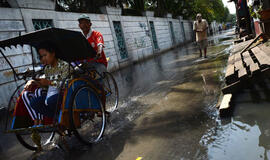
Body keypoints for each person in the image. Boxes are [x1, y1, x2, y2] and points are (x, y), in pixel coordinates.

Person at [22, 41, 73, 126]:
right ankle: (56, 117)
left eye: (45, 55)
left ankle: (59, 117)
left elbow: (68, 84)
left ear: (53, 53)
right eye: (41, 56)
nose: (43, 59)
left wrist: (49, 82)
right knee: (34, 102)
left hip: (64, 95)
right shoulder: (47, 69)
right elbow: (47, 87)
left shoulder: (65, 65)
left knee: (51, 100)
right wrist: (37, 83)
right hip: (51, 95)